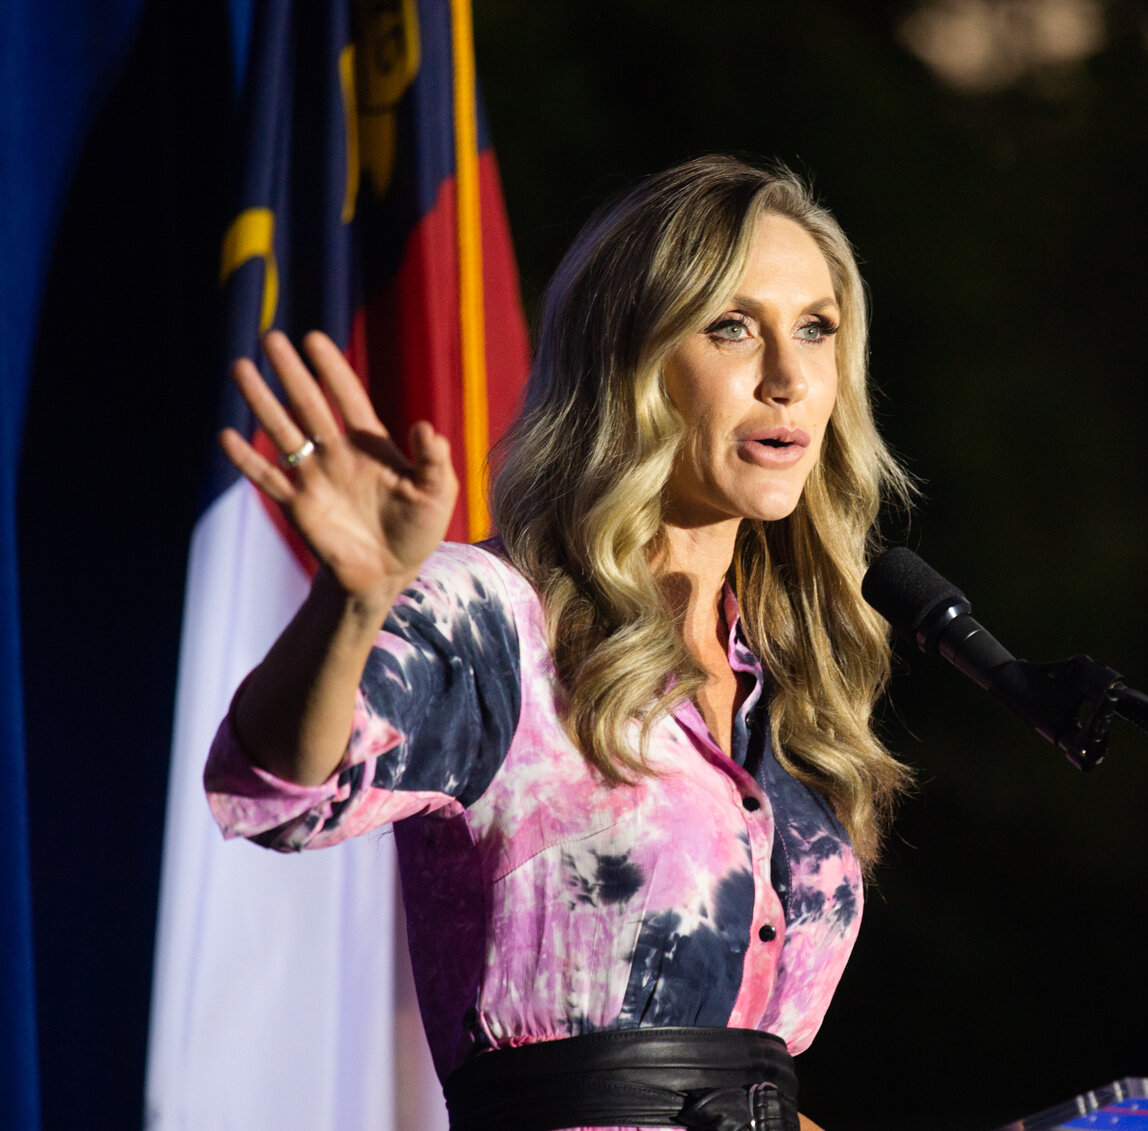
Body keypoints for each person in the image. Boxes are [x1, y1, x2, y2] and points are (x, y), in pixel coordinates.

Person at [204, 156, 914, 1131]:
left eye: (816, 329)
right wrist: (354, 601)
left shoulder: (790, 683)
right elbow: (279, 785)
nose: (789, 379)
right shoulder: (501, 618)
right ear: (629, 357)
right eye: (732, 326)